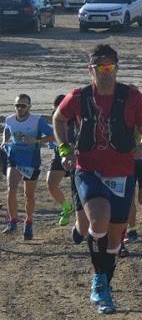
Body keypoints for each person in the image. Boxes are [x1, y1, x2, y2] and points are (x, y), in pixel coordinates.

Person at [54, 44, 142, 314]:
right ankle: (99, 283)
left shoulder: (132, 97)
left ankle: (104, 289)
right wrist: (64, 149)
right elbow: (58, 119)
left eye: (110, 67)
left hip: (122, 173)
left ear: (116, 68)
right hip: (88, 168)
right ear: (91, 70)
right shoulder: (79, 97)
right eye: (100, 68)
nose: (106, 73)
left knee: (114, 240)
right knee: (98, 219)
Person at [3, 94, 54, 239]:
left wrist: (36, 141)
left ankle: (29, 221)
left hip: (32, 161)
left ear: (29, 107)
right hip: (14, 157)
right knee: (11, 189)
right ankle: (12, 221)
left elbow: (53, 136)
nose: (20, 108)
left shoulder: (37, 121)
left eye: (23, 105)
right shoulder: (10, 119)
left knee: (28, 195)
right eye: (17, 105)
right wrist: (5, 141)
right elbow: (7, 128)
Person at [41, 94, 76, 231]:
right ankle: (67, 207)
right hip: (59, 152)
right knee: (51, 184)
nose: (57, 112)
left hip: (76, 154)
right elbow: (54, 136)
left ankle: (82, 219)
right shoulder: (55, 115)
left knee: (78, 189)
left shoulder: (76, 118)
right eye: (55, 110)